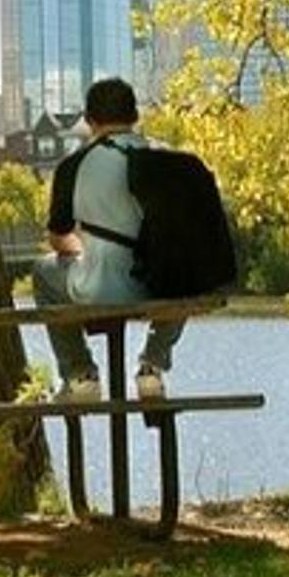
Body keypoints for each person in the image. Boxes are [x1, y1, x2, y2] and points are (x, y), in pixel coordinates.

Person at [32, 77, 184, 402]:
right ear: (136, 116)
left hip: (97, 286)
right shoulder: (168, 162)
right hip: (155, 291)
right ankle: (152, 368)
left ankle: (80, 375)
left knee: (43, 272)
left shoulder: (73, 166)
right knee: (184, 268)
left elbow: (59, 238)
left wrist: (85, 252)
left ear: (89, 121)